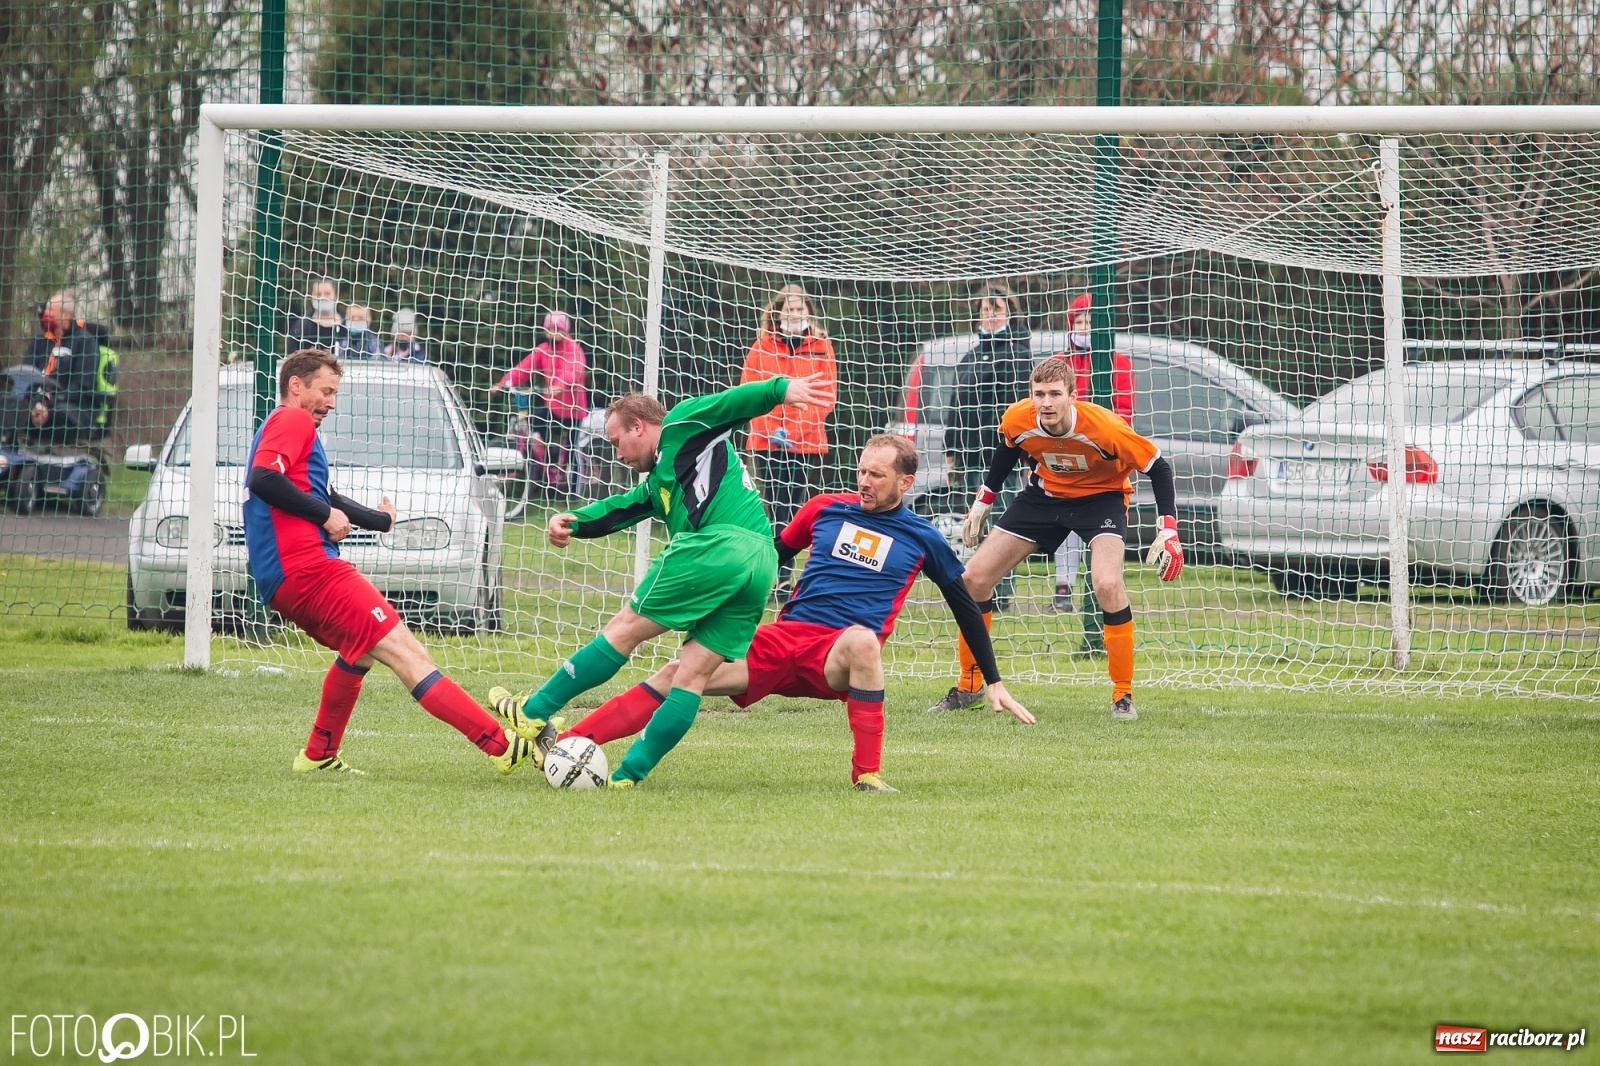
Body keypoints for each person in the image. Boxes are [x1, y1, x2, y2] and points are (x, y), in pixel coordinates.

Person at [561, 435, 1034, 792]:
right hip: (782, 640)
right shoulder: (824, 508)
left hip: (836, 657)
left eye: (878, 475)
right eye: (862, 471)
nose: (865, 482)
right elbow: (768, 558)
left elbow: (964, 603)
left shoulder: (922, 536)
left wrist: (992, 680)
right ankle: (568, 745)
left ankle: (866, 775)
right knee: (677, 673)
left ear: (905, 482)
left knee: (865, 642)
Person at [484, 372, 833, 787]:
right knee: (691, 678)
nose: (617, 455)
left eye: (617, 443)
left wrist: (778, 390)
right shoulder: (662, 480)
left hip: (717, 545)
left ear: (639, 426)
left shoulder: (682, 425)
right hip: (761, 562)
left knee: (625, 629)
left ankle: (533, 710)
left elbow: (730, 403)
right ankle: (628, 776)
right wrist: (573, 522)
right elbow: (621, 509)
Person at [245, 347, 539, 777]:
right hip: (308, 570)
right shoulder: (291, 419)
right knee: (407, 651)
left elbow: (321, 494)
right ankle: (502, 746)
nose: (331, 402)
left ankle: (318, 755)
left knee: (359, 651)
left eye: (334, 393)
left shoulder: (287, 429)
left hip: (286, 579)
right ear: (296, 385)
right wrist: (325, 517)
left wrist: (378, 520)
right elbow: (263, 479)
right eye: (325, 391)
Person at [927, 357, 1183, 721]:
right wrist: (984, 501)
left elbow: (1159, 467)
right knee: (973, 580)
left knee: (1108, 583)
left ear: (1072, 397)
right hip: (1043, 498)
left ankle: (1122, 695)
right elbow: (1008, 451)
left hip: (1101, 499)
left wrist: (1168, 528)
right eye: (1039, 394)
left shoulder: (1106, 428)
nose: (1046, 402)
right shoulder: (1019, 417)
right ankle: (969, 687)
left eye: (1054, 394)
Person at [739, 285, 838, 596]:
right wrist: (771, 430)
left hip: (805, 444)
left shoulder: (822, 346)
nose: (795, 314)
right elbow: (749, 392)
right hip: (767, 442)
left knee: (796, 509)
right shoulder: (761, 347)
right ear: (777, 313)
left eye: (800, 309)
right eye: (789, 310)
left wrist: (794, 434)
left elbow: (826, 398)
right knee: (771, 508)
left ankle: (786, 576)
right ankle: (769, 574)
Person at [945, 283, 1033, 610]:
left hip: (1002, 457)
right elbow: (956, 405)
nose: (989, 316)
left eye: (995, 310)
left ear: (1008, 313)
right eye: (984, 310)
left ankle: (1002, 592)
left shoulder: (1018, 353)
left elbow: (1023, 407)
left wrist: (1025, 457)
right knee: (974, 525)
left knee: (1003, 528)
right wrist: (951, 449)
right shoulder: (970, 356)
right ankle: (978, 588)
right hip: (970, 454)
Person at [1053, 292, 1137, 615]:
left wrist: (1108, 447)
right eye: (1080, 321)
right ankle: (1063, 586)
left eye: (1092, 321)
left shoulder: (1119, 363)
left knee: (1102, 526)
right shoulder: (1060, 363)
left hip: (1103, 460)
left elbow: (1125, 411)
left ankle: (1104, 591)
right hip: (1063, 455)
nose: (1085, 327)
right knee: (1065, 522)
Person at [491, 310, 589, 489]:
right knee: (535, 428)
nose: (553, 333)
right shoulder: (543, 350)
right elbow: (523, 369)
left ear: (565, 331)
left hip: (573, 408)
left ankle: (575, 490)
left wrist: (559, 385)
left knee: (574, 448)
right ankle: (546, 469)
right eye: (550, 329)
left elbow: (573, 370)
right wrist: (503, 383)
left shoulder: (573, 349)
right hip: (553, 406)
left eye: (557, 329)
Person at [24, 291, 113, 439]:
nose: (45, 314)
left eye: (51, 310)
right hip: (35, 405)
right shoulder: (39, 341)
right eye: (46, 310)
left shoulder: (85, 342)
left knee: (59, 414)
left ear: (66, 315)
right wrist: (36, 401)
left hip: (72, 409)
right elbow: (25, 374)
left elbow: (81, 388)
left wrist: (48, 404)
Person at [286, 278, 344, 357]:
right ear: (311, 296)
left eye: (327, 293)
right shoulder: (301, 327)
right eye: (318, 294)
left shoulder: (347, 325)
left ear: (336, 295)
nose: (322, 297)